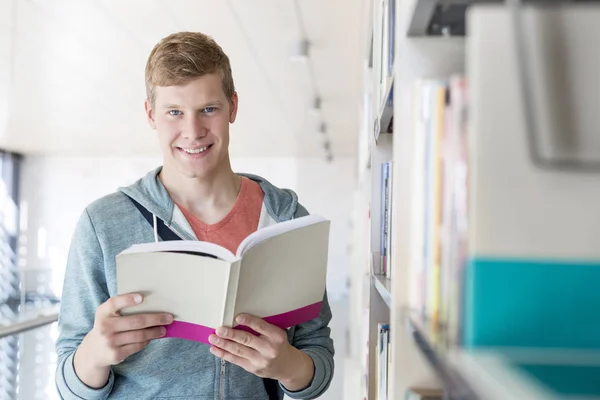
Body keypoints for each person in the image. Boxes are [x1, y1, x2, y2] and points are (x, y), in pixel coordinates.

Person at [54, 31, 334, 400]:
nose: (193, 131)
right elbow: (67, 382)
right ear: (150, 114)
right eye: (174, 112)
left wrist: (286, 365)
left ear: (232, 107)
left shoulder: (286, 220)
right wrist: (94, 353)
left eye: (208, 109)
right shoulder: (102, 224)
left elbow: (318, 355)